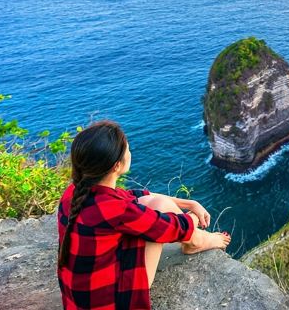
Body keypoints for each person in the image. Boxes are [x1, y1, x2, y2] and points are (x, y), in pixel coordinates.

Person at [57, 120, 231, 309]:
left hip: (79, 299)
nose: (130, 153)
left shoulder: (73, 192)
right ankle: (199, 241)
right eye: (128, 149)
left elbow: (132, 196)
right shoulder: (116, 210)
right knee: (159, 216)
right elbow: (170, 227)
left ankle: (196, 241)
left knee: (156, 205)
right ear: (116, 166)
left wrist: (188, 203)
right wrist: (194, 218)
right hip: (112, 303)